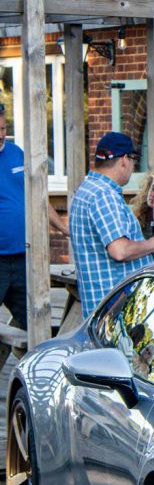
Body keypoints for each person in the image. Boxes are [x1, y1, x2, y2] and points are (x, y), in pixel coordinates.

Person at [69, 132, 154, 316]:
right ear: (124, 159)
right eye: (133, 161)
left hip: (102, 309)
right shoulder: (103, 195)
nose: (133, 167)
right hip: (116, 313)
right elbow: (120, 250)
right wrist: (153, 243)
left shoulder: (87, 190)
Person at [0, 105, 70, 330]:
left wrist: (64, 228)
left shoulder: (16, 153)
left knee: (34, 321)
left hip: (24, 257)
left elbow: (39, 198)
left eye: (3, 128)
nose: (1, 134)